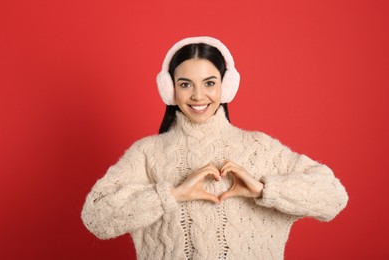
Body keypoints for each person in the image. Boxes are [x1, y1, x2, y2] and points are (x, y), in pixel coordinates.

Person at [81, 36, 348, 259]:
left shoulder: (259, 148)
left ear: (226, 86)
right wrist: (171, 195)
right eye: (185, 84)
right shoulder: (147, 153)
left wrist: (264, 189)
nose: (198, 96)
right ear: (170, 89)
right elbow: (95, 217)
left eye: (209, 83)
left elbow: (334, 196)